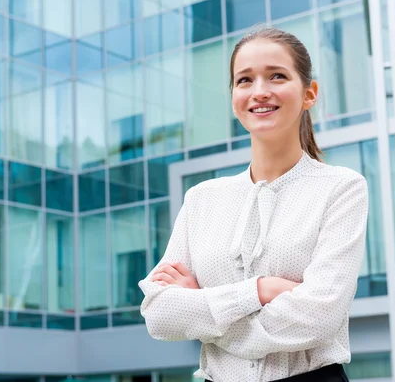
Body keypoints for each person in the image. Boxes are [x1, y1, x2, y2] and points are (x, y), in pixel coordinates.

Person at [138, 27, 369, 382]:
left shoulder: (341, 188)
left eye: (277, 75)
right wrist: (261, 289)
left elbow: (320, 317)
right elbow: (159, 314)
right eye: (244, 80)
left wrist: (204, 309)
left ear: (310, 94)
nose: (260, 91)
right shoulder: (201, 199)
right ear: (233, 95)